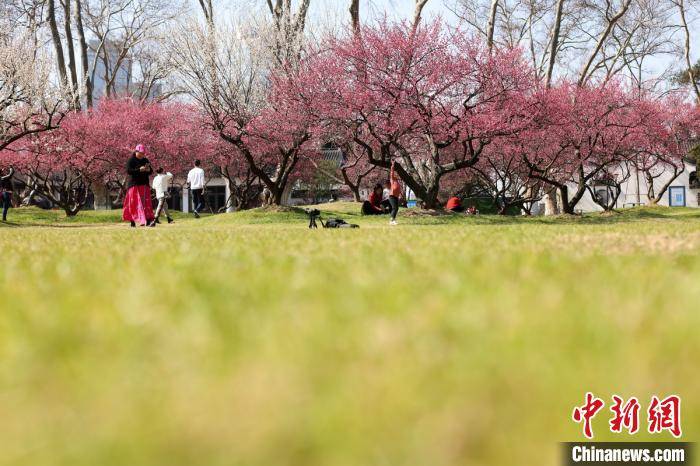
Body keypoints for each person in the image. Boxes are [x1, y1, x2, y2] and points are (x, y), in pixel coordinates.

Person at [123, 144, 155, 227]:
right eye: (140, 153)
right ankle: (132, 221)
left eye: (143, 153)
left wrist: (148, 170)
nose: (142, 155)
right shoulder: (131, 160)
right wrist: (139, 170)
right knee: (134, 203)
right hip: (134, 185)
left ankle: (148, 220)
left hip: (144, 184)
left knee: (146, 203)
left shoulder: (145, 160)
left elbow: (150, 171)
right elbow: (129, 171)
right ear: (136, 152)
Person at [388, 160, 401, 225]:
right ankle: (391, 220)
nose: (397, 175)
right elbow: (391, 173)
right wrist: (392, 165)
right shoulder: (392, 179)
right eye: (396, 174)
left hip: (396, 197)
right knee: (394, 208)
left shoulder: (397, 182)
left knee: (396, 208)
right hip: (392, 196)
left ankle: (393, 220)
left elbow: (398, 190)